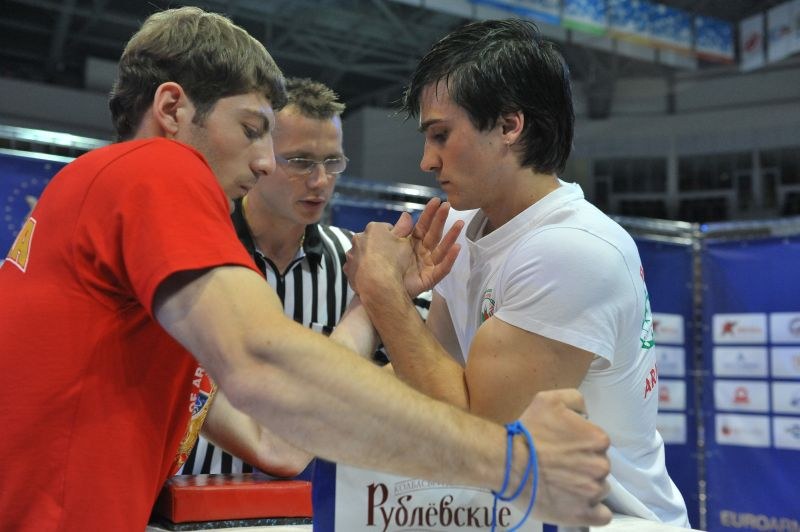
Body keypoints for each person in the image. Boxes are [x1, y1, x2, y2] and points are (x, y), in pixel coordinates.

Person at [0, 8, 612, 531]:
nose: (267, 163)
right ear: (172, 109)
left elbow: (280, 444)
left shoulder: (126, 255)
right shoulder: (155, 168)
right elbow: (268, 363)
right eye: (251, 129)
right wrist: (516, 464)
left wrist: (371, 301)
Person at [345, 18, 690, 527]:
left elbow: (484, 439)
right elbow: (430, 376)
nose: (425, 160)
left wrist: (384, 298)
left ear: (510, 126)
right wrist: (320, 397)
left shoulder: (570, 250)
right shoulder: (463, 226)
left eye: (441, 134)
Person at [181, 77, 429, 475]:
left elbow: (420, 369)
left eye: (332, 162)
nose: (319, 181)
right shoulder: (199, 251)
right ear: (260, 155)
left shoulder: (355, 260)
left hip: (312, 506)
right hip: (192, 498)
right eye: (299, 161)